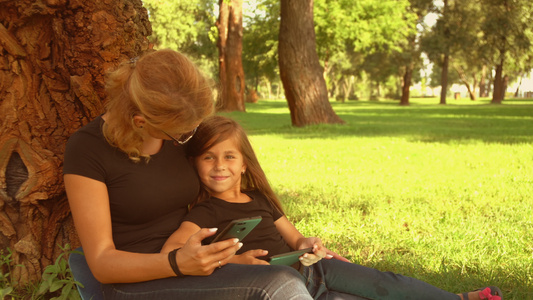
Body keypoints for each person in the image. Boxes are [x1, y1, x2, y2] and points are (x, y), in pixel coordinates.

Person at [161, 115, 503, 300]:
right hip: (283, 286)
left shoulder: (261, 200)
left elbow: (294, 239)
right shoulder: (204, 213)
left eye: (229, 156)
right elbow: (173, 251)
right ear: (195, 164)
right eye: (209, 157)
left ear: (244, 164)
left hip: (315, 268)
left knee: (388, 285)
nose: (219, 166)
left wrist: (309, 244)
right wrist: (234, 260)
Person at [63, 49, 314, 299]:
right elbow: (102, 263)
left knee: (309, 280)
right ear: (141, 122)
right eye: (180, 133)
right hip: (137, 280)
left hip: (200, 264)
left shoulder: (179, 132)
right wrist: (176, 263)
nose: (187, 138)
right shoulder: (87, 149)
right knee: (281, 284)